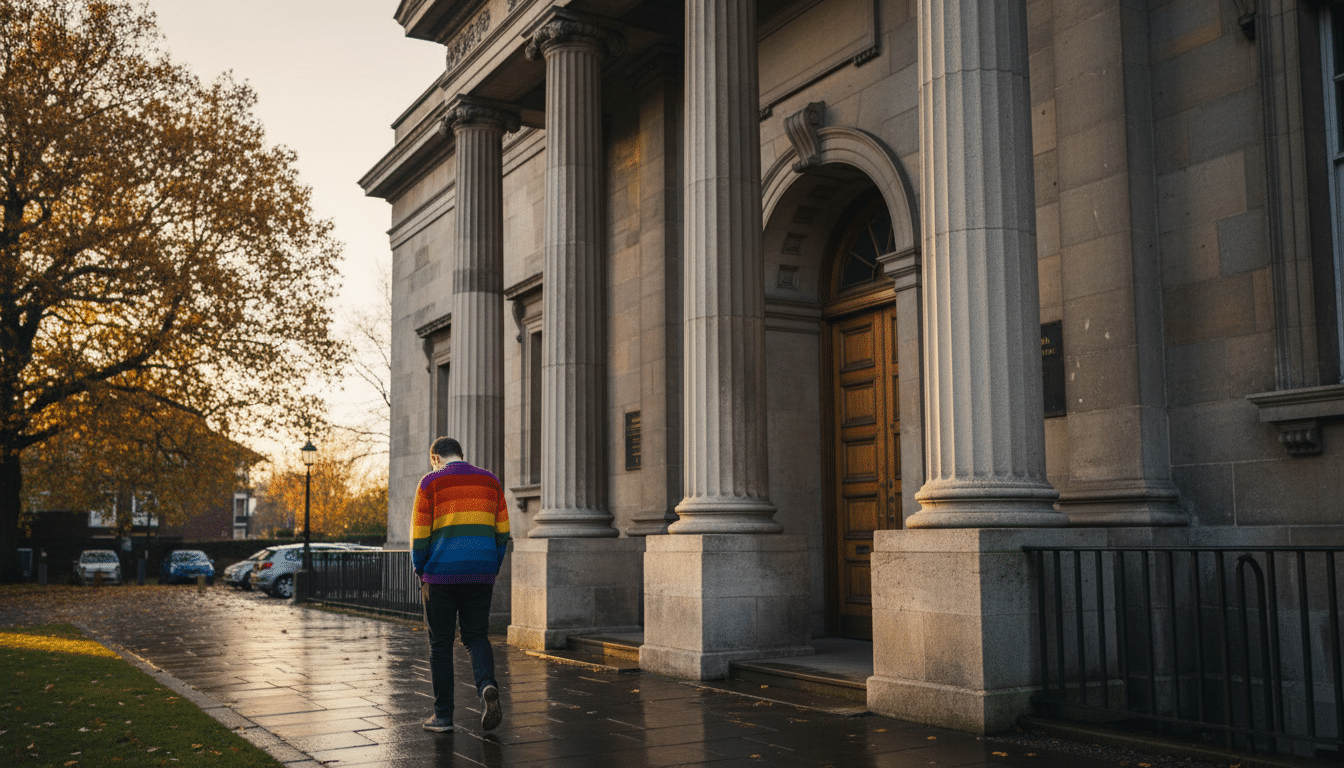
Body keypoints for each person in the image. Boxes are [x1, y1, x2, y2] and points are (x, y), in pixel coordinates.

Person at [411, 437, 510, 733]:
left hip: (440, 575)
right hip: (480, 572)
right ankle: (487, 685)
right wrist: (492, 565)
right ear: (461, 455)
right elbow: (503, 532)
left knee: (440, 644)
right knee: (476, 636)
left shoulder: (430, 483)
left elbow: (420, 534)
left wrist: (420, 567)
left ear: (435, 458)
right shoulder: (490, 482)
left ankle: (443, 717)